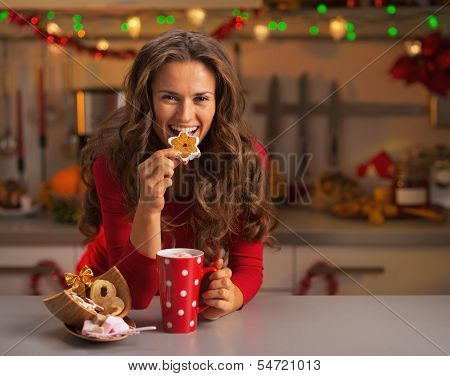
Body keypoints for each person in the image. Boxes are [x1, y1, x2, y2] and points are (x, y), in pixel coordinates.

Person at [77, 29, 278, 321]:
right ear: (147, 101)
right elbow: (136, 295)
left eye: (201, 98)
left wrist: (231, 295)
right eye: (169, 97)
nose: (185, 116)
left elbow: (249, 264)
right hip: (106, 292)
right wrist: (148, 206)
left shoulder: (245, 158)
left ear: (218, 102)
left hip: (184, 294)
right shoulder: (113, 163)